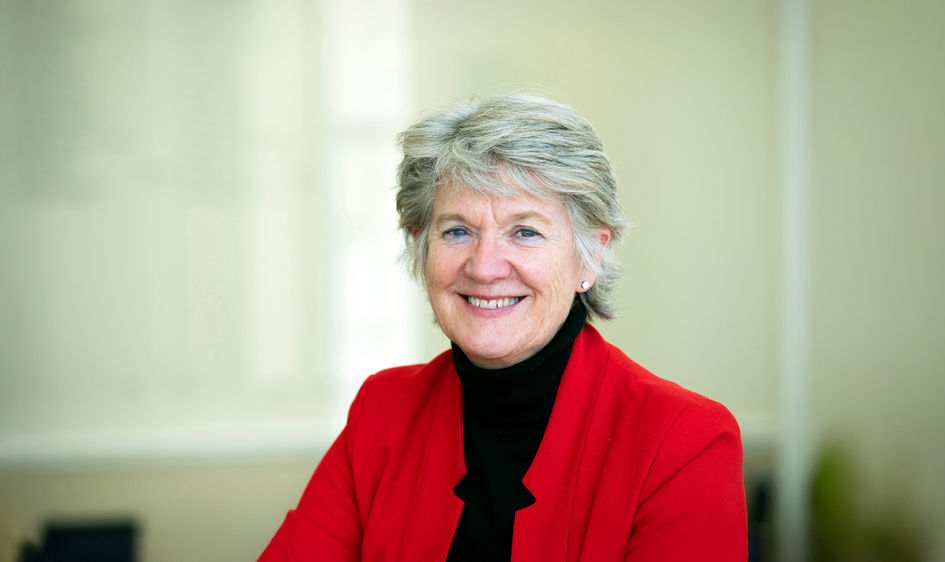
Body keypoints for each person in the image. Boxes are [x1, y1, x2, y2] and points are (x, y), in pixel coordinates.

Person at [259, 94, 747, 561]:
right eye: (457, 231)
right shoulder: (383, 412)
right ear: (421, 246)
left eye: (525, 232)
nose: (485, 267)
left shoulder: (683, 442)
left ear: (590, 255)